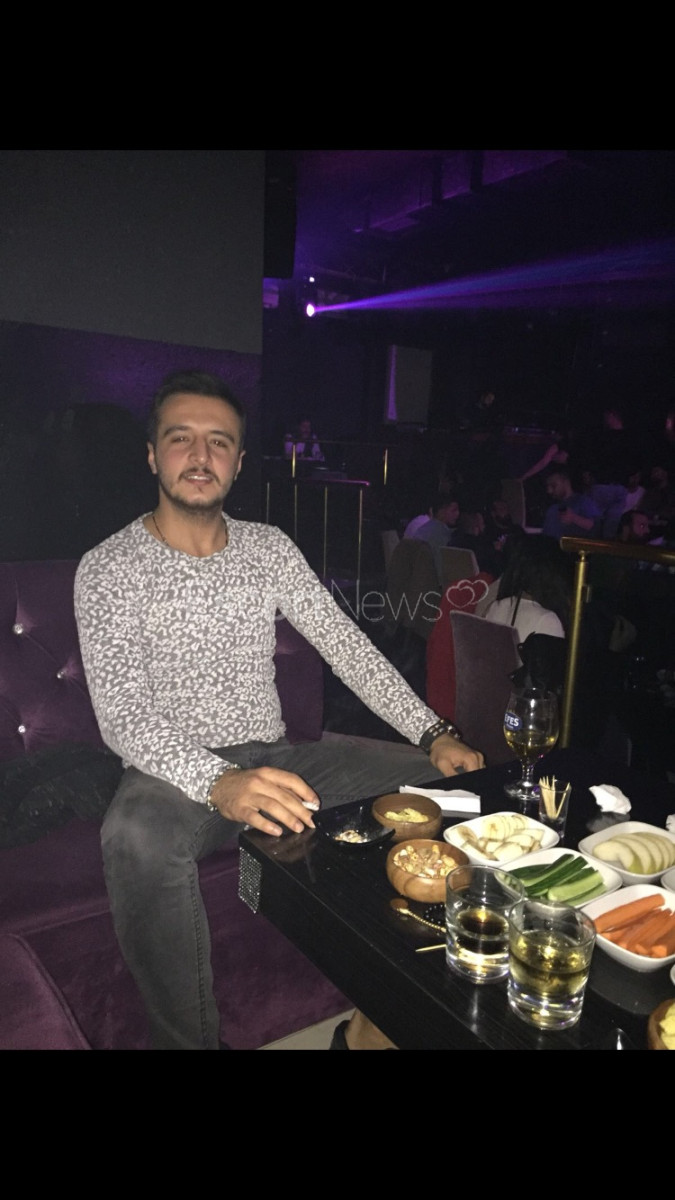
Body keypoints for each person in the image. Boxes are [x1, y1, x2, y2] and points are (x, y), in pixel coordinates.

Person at [74, 370, 484, 1051]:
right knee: (134, 838)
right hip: (171, 775)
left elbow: (348, 648)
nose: (199, 455)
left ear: (238, 462)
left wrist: (433, 732)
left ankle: (387, 1015)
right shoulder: (108, 567)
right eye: (180, 438)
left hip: (279, 756)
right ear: (152, 455)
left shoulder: (267, 548)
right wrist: (218, 781)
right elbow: (124, 716)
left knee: (448, 786)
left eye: (218, 441)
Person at [403, 495, 460, 575]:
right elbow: (442, 570)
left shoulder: (423, 529)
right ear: (441, 512)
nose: (457, 514)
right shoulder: (442, 534)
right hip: (431, 579)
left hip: (415, 577)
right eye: (453, 510)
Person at [541, 467, 602, 540]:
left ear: (566, 482)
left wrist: (574, 518)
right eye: (548, 487)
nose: (549, 491)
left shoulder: (583, 501)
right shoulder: (552, 509)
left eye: (553, 485)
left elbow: (596, 527)